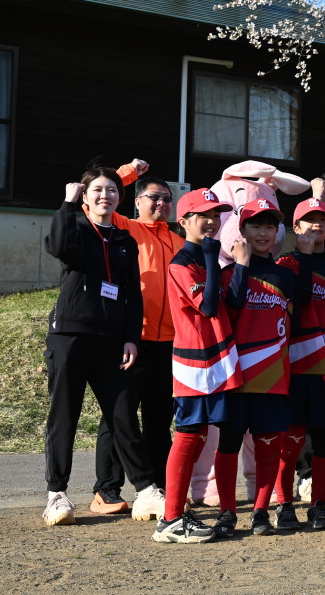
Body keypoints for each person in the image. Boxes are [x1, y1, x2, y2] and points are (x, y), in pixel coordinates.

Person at [41, 167, 166, 527]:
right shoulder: (76, 228)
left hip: (112, 340)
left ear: (119, 198)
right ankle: (56, 495)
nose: (105, 196)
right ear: (84, 195)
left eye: (111, 190)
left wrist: (131, 337)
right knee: (65, 415)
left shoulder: (125, 240)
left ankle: (146, 491)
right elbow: (56, 247)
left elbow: (132, 294)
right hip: (71, 335)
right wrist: (66, 205)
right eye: (96, 189)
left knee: (123, 415)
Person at [89, 161, 185, 516]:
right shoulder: (125, 227)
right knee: (119, 415)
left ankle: (158, 488)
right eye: (154, 197)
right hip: (132, 339)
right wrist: (128, 172)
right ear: (138, 201)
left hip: (170, 342)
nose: (161, 203)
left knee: (159, 419)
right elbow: (98, 202)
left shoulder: (179, 241)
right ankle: (106, 489)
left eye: (167, 199)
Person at [152, 188, 241, 543]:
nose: (212, 221)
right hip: (195, 363)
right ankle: (171, 519)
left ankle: (193, 513)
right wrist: (210, 257)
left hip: (217, 360)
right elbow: (208, 306)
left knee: (208, 434)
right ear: (184, 220)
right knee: (189, 435)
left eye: (216, 215)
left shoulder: (208, 258)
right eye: (203, 215)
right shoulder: (182, 262)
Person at [210, 199, 296, 538]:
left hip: (273, 377)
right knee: (228, 445)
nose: (263, 232)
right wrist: (242, 265)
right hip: (236, 376)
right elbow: (230, 308)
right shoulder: (228, 274)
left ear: (277, 232)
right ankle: (227, 512)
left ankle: (261, 511)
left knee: (268, 447)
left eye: (269, 226)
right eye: (255, 225)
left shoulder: (286, 276)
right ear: (242, 230)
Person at [275, 198, 325, 531]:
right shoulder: (285, 264)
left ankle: (318, 504)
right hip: (295, 366)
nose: (317, 225)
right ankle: (284, 504)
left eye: (323, 220)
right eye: (309, 220)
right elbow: (301, 298)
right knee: (290, 440)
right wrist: (304, 257)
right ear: (296, 227)